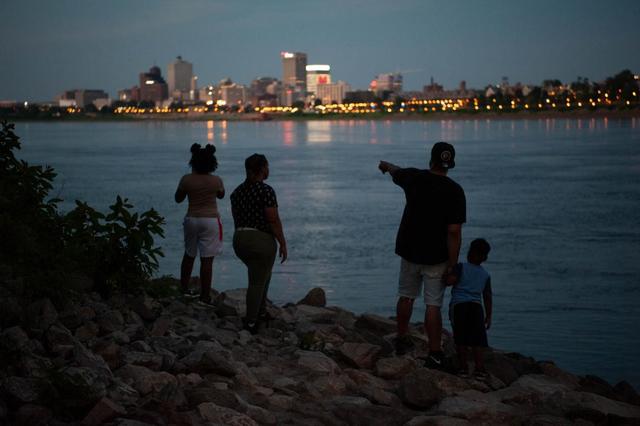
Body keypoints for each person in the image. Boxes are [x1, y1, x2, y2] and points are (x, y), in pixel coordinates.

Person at [379, 141, 466, 369]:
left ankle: (401, 337)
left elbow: (395, 170)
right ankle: (435, 353)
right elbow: (454, 232)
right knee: (433, 305)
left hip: (410, 250)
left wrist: (385, 165)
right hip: (437, 256)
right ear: (450, 165)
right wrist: (453, 265)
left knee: (406, 296)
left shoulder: (414, 178)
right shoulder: (455, 191)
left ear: (431, 160)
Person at [230, 154, 287, 334]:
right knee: (256, 281)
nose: (268, 170)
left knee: (262, 274)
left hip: (239, 239)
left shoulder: (236, 192)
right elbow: (273, 219)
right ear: (262, 169)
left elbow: (236, 218)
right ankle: (251, 322)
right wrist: (282, 242)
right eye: (267, 167)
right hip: (259, 240)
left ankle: (261, 312)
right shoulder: (266, 191)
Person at [175, 143, 225, 304]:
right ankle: (205, 296)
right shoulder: (216, 180)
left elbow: (178, 198)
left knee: (189, 254)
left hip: (192, 219)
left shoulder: (186, 179)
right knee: (207, 259)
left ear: (193, 161)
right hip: (210, 220)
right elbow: (221, 195)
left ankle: (183, 288)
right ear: (213, 162)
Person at [446, 238, 492, 379]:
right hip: (477, 308)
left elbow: (450, 281)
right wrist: (489, 316)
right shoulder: (485, 275)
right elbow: (487, 297)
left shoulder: (461, 267)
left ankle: (463, 368)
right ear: (485, 258)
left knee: (461, 338)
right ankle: (479, 369)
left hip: (459, 306)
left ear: (469, 253)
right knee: (478, 340)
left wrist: (445, 275)